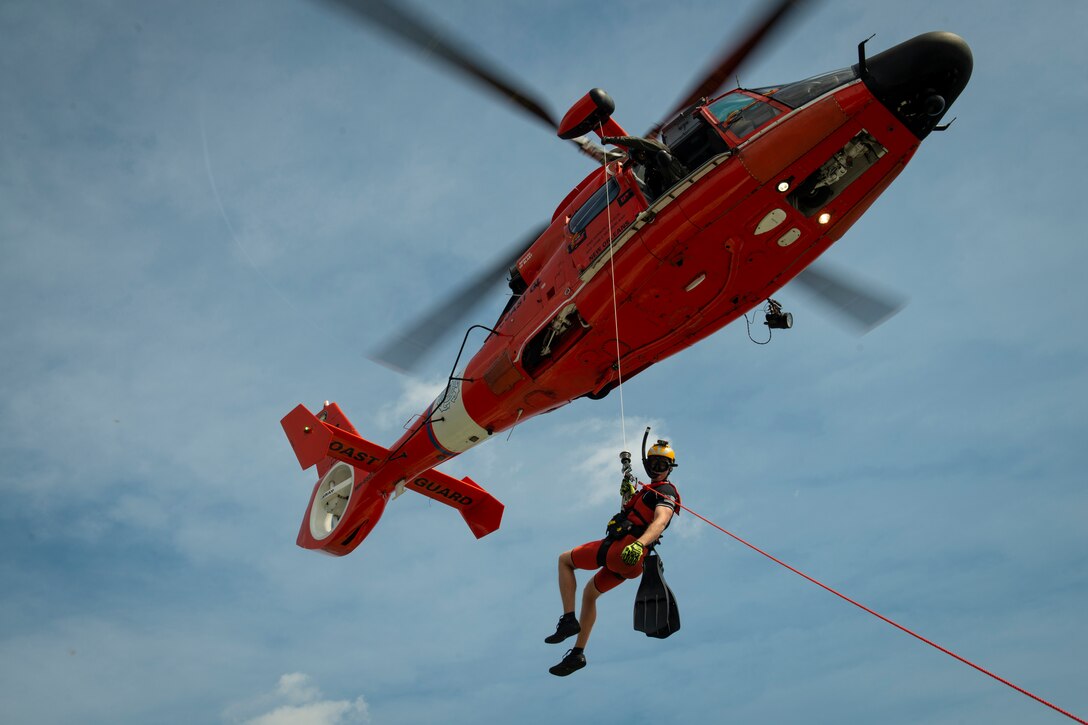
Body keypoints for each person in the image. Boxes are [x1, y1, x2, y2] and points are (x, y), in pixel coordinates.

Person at [545, 440, 681, 676]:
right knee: (590, 594)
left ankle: (568, 619)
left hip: (624, 550)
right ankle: (578, 653)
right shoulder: (645, 493)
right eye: (654, 463)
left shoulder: (666, 492)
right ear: (648, 465)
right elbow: (636, 514)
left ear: (670, 467)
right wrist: (628, 499)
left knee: (564, 560)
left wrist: (638, 544)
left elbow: (660, 521)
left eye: (663, 464)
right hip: (631, 565)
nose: (658, 467)